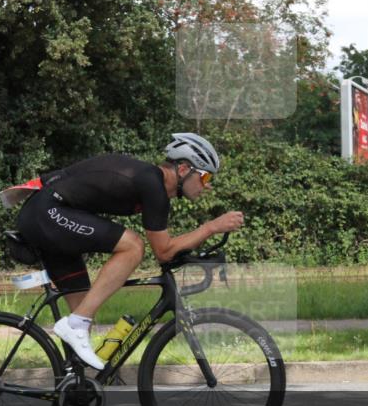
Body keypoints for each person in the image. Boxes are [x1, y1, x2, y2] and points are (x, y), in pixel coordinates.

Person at [16, 133, 244, 369]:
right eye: (205, 176)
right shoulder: (152, 183)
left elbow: (168, 248)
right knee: (133, 246)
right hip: (47, 212)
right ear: (185, 168)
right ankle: (75, 325)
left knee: (85, 307)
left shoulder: (155, 187)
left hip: (49, 215)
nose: (207, 185)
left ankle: (74, 387)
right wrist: (211, 227)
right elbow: (164, 252)